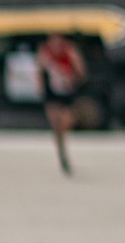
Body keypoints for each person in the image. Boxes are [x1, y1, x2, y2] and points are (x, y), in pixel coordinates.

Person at [36, 31, 88, 174]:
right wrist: (40, 86)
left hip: (66, 90)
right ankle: (61, 149)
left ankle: (62, 142)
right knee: (55, 122)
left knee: (66, 121)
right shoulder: (45, 51)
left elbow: (80, 69)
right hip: (52, 92)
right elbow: (39, 69)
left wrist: (75, 78)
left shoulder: (69, 49)